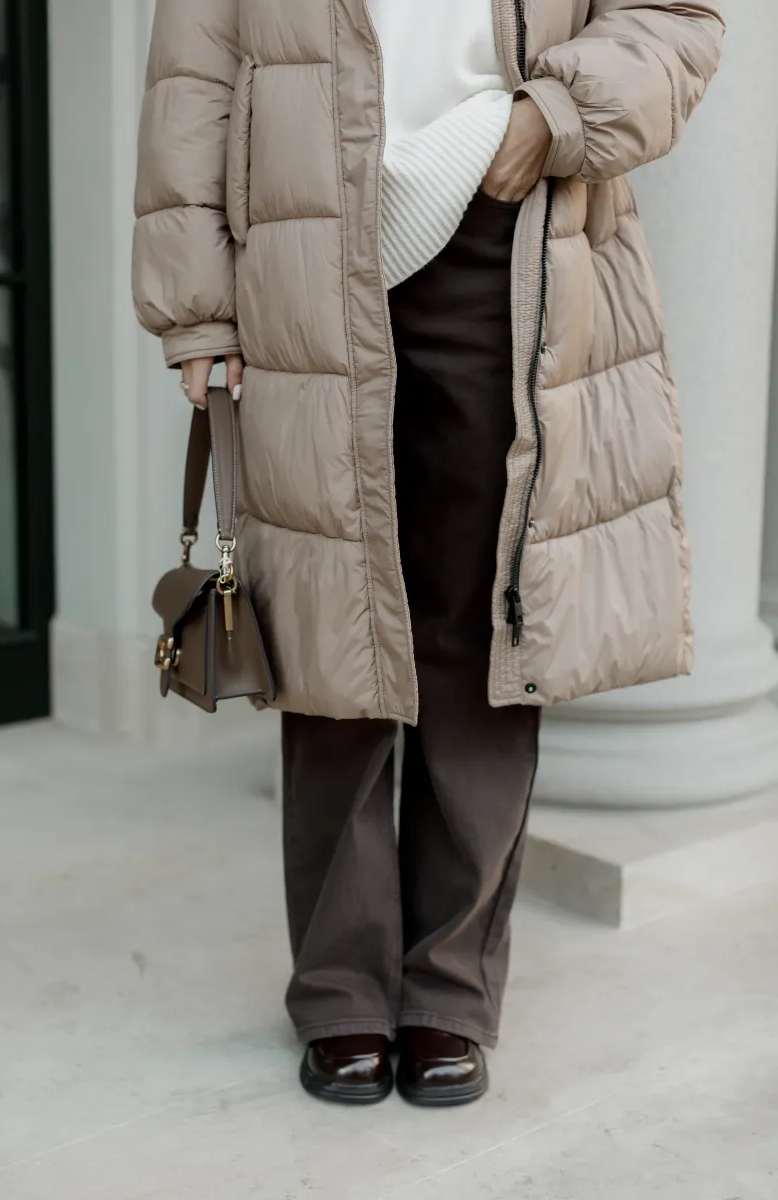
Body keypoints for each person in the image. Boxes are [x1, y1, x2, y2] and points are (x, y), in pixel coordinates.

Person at [133, 0, 724, 1107]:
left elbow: (674, 18)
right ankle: (341, 990)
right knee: (330, 632)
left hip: (508, 243)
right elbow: (193, 71)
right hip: (305, 251)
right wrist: (196, 305)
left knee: (482, 628)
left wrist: (551, 115)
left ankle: (449, 986)